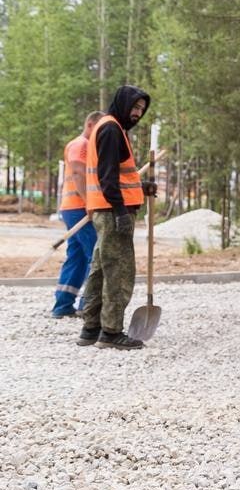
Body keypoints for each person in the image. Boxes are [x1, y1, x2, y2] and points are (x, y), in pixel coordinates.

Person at [77, 85, 155, 350]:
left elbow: (118, 176)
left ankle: (91, 328)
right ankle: (111, 332)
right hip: (113, 212)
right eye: (134, 107)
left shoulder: (109, 127)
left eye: (141, 110)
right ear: (122, 103)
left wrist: (142, 188)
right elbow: (107, 177)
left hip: (105, 209)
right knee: (118, 271)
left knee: (100, 269)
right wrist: (121, 211)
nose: (137, 114)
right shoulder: (111, 129)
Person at [51, 112, 106, 318]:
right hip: (79, 207)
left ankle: (63, 305)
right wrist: (89, 202)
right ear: (90, 125)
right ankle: (88, 306)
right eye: (99, 129)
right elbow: (77, 173)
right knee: (96, 255)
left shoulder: (86, 146)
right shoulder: (80, 145)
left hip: (73, 207)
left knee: (78, 257)